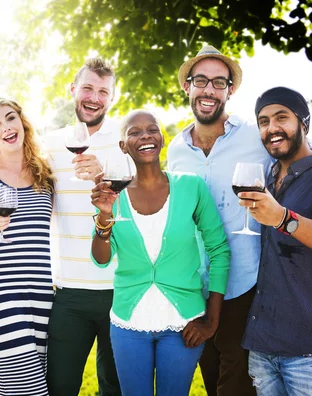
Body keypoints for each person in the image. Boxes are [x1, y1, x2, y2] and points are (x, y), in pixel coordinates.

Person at [0, 57, 123, 396]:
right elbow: (8, 163)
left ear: (112, 97)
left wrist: (104, 174)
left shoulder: (127, 138)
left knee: (116, 388)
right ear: (73, 90)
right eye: (87, 87)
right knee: (53, 388)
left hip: (120, 287)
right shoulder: (50, 148)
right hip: (65, 291)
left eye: (103, 91)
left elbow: (144, 199)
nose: (94, 97)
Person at [90, 109, 230, 395]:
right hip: (128, 325)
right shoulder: (112, 195)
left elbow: (219, 250)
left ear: (161, 138)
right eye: (134, 132)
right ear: (122, 145)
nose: (145, 136)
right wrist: (103, 217)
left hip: (184, 324)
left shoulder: (191, 186)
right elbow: (101, 259)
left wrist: (211, 320)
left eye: (151, 129)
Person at [167, 45, 273, 396]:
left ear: (230, 90)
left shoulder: (255, 138)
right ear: (188, 86)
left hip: (246, 285)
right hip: (195, 288)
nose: (209, 90)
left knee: (239, 384)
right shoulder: (176, 150)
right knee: (211, 379)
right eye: (201, 80)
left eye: (218, 82)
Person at [0, 98, 56, 395]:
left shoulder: (45, 174)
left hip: (45, 296)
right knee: (24, 390)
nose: (6, 127)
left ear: (22, 123)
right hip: (2, 295)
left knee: (42, 384)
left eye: (10, 119)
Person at [240, 87, 312, 395]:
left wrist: (284, 219)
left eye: (282, 117)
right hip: (262, 344)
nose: (272, 128)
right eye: (263, 121)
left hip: (306, 349)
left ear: (304, 123)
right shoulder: (266, 179)